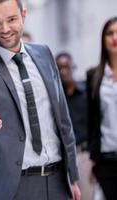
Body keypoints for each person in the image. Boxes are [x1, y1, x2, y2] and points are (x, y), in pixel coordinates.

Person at [0, 0, 81, 199]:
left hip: (57, 182)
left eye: (11, 19)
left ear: (23, 15)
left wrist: (73, 177)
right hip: (11, 186)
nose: (5, 29)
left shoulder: (44, 54)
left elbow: (63, 120)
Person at [56, 52, 94, 200]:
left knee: (86, 196)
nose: (63, 71)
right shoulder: (56, 99)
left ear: (73, 68)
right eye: (59, 68)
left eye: (66, 67)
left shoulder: (86, 95)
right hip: (62, 158)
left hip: (83, 155)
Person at [86, 16, 117, 200]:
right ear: (103, 39)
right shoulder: (94, 76)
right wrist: (92, 157)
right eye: (110, 33)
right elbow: (92, 119)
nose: (114, 38)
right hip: (105, 158)